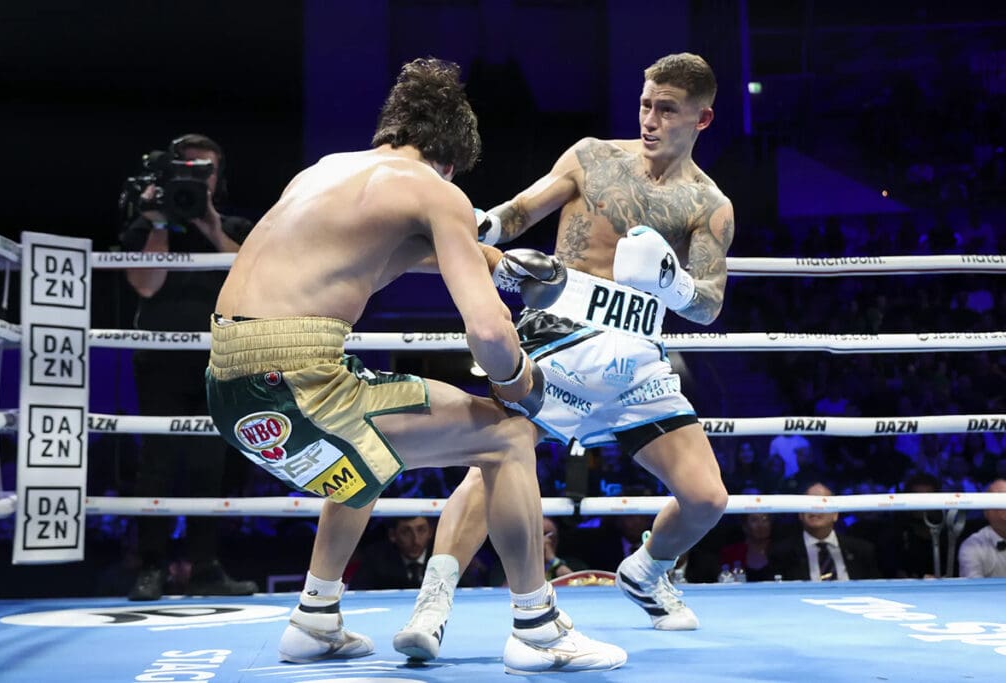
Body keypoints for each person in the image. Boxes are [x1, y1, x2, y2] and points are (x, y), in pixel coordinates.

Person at [203, 57, 625, 675]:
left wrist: (499, 264)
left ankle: (313, 620)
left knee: (367, 452)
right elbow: (486, 331)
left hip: (230, 390)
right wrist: (520, 384)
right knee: (508, 434)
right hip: (298, 383)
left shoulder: (324, 172)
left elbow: (385, 258)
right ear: (451, 161)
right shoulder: (438, 191)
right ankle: (538, 630)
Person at [396, 52, 731, 659]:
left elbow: (707, 304)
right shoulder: (591, 156)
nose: (651, 119)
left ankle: (647, 574)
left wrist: (674, 283)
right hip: (560, 332)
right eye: (646, 104)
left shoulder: (709, 205)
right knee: (494, 460)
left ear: (701, 120)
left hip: (638, 359)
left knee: (707, 498)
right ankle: (433, 604)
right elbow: (522, 210)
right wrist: (476, 227)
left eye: (668, 110)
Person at [120, 133, 258, 601]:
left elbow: (251, 276)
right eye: (190, 168)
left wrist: (212, 224)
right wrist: (159, 222)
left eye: (207, 170)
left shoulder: (235, 225)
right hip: (159, 361)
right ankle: (151, 567)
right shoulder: (145, 225)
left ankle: (205, 566)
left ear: (217, 178)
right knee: (155, 464)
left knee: (210, 465)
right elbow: (144, 285)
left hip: (219, 359)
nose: (198, 177)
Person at [770, 482, 882, 581]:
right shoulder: (783, 554)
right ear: (800, 514)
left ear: (835, 514)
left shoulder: (861, 550)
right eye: (809, 504)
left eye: (821, 503)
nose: (815, 509)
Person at [348, 516, 434, 590]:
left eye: (421, 530)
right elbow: (358, 592)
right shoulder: (376, 557)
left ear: (430, 531)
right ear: (392, 535)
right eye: (406, 532)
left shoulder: (442, 555)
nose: (416, 540)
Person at [957, 479, 1006, 578]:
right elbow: (974, 590)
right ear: (986, 512)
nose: (1004, 505)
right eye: (999, 500)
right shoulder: (972, 545)